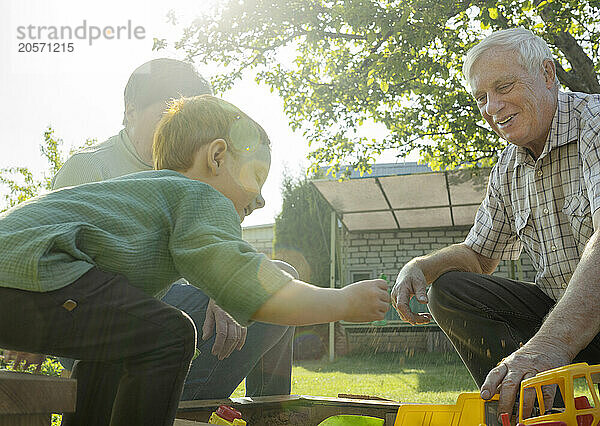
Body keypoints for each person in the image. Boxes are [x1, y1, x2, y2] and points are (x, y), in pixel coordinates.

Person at [0, 95, 390, 426]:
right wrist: (342, 301)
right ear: (217, 157)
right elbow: (244, 280)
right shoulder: (199, 196)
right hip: (36, 268)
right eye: (256, 177)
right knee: (170, 332)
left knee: (121, 344)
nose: (261, 200)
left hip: (24, 275)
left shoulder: (149, 197)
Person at [50, 58, 296, 400]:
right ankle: (176, 408)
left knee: (277, 277)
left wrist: (223, 288)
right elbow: (66, 269)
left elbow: (218, 255)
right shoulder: (92, 167)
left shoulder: (198, 170)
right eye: (170, 113)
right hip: (106, 316)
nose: (181, 126)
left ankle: (271, 412)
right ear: (131, 112)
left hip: (175, 308)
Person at [391, 27, 600, 420]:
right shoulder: (509, 166)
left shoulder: (596, 124)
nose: (492, 107)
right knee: (450, 289)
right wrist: (421, 266)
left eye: (503, 86)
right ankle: (532, 413)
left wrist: (547, 346)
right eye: (481, 98)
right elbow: (478, 256)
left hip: (574, 327)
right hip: (562, 317)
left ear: (548, 75)